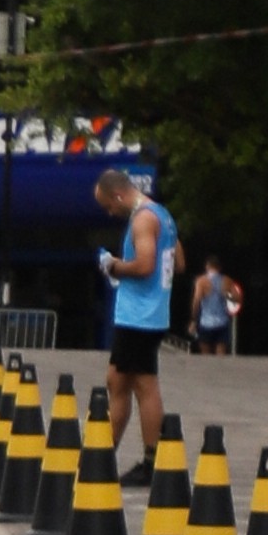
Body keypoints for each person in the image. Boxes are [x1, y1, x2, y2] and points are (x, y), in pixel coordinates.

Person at [94, 169, 172, 451]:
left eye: (109, 205)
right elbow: (179, 261)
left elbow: (145, 265)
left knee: (143, 384)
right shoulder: (162, 215)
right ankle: (104, 449)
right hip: (148, 313)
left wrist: (113, 266)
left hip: (140, 316)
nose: (111, 213)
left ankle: (150, 458)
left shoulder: (143, 219)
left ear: (118, 194)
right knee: (117, 380)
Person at [193, 256, 240, 355]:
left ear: (207, 266)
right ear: (219, 268)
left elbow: (196, 301)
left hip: (205, 322)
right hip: (222, 322)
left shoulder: (201, 281)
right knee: (221, 355)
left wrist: (193, 320)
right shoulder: (227, 280)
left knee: (205, 354)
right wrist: (227, 295)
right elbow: (237, 299)